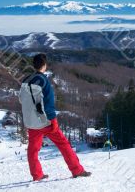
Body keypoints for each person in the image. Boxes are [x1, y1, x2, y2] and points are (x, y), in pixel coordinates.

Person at [22, 53, 91, 181]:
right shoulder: (43, 81)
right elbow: (48, 102)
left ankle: (37, 175)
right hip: (45, 122)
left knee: (33, 150)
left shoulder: (25, 80)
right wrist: (53, 120)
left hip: (31, 122)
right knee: (63, 144)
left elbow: (22, 100)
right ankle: (77, 170)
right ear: (44, 65)